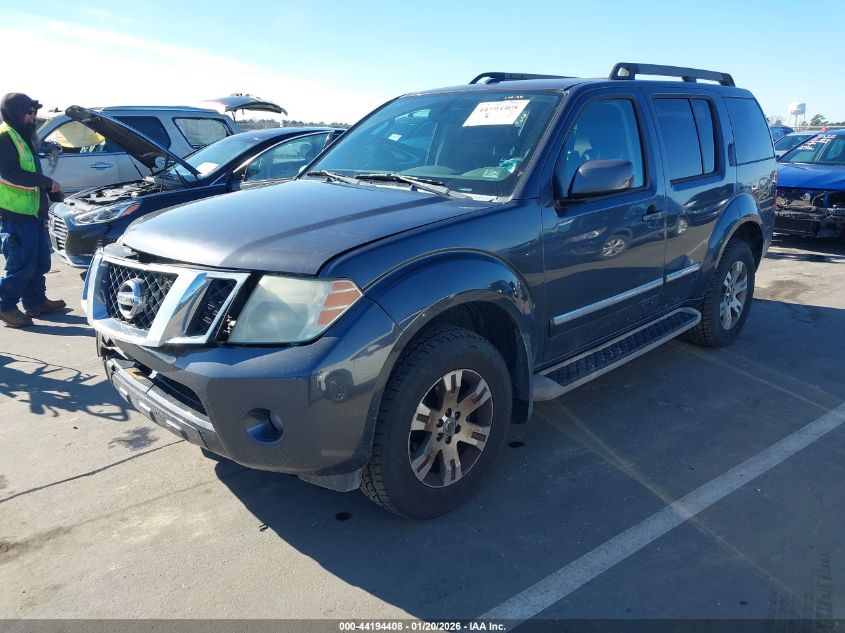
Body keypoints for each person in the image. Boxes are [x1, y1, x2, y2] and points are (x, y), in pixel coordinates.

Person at [0, 93, 66, 328]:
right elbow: (10, 173)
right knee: (21, 264)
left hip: (31, 212)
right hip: (15, 214)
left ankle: (35, 301)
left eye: (34, 113)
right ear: (14, 112)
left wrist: (48, 189)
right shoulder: (5, 137)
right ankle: (6, 306)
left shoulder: (22, 135)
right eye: (28, 112)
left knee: (39, 262)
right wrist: (46, 182)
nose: (33, 117)